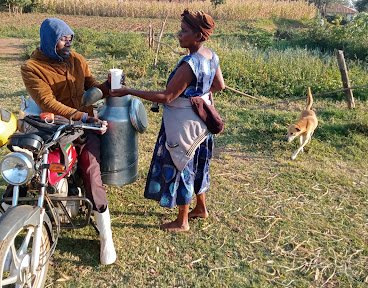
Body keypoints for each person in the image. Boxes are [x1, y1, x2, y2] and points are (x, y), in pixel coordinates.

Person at [110, 10, 225, 232]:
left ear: (198, 36)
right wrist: (199, 95)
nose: (178, 34)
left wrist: (129, 91)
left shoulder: (190, 64)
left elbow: (167, 97)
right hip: (203, 122)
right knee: (198, 164)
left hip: (184, 123)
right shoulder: (211, 55)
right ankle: (200, 208)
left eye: (184, 31)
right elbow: (219, 86)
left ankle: (182, 221)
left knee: (182, 164)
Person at [21, 18, 116, 265]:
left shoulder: (77, 60)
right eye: (64, 38)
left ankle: (106, 235)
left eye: (70, 38)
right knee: (35, 166)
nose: (68, 43)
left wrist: (107, 86)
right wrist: (80, 114)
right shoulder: (32, 68)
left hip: (86, 126)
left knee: (90, 168)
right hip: (57, 127)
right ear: (50, 40)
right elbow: (47, 103)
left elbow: (91, 87)